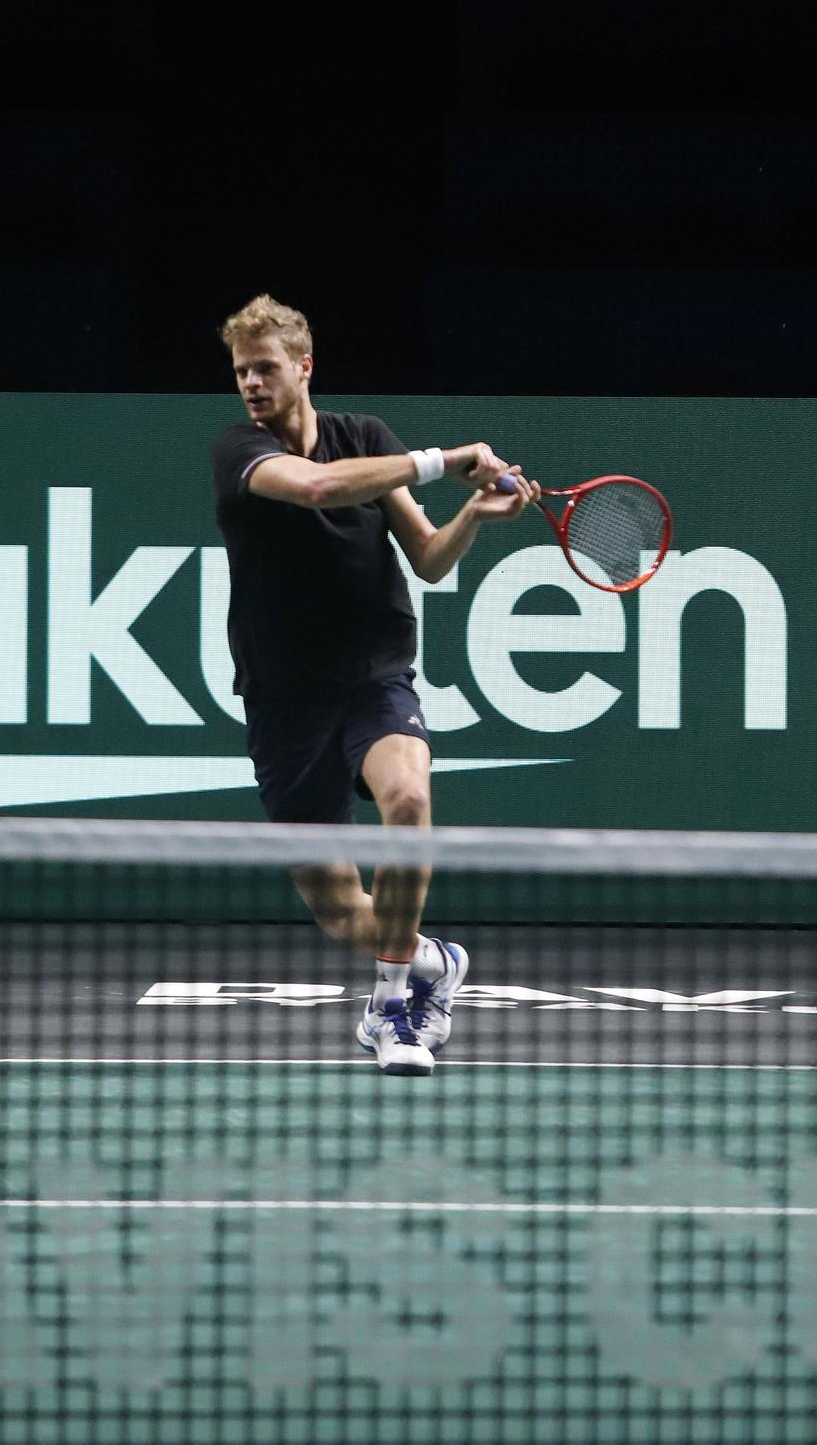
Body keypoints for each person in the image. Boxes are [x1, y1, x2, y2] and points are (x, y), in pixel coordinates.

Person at [210, 295, 536, 1077]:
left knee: (410, 800)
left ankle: (394, 1005)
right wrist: (445, 460)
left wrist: (473, 516)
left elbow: (426, 558)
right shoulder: (238, 452)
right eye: (241, 372)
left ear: (303, 367)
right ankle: (432, 960)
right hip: (284, 700)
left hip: (374, 678)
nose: (252, 384)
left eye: (266, 368)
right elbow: (321, 490)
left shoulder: (366, 436)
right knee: (339, 909)